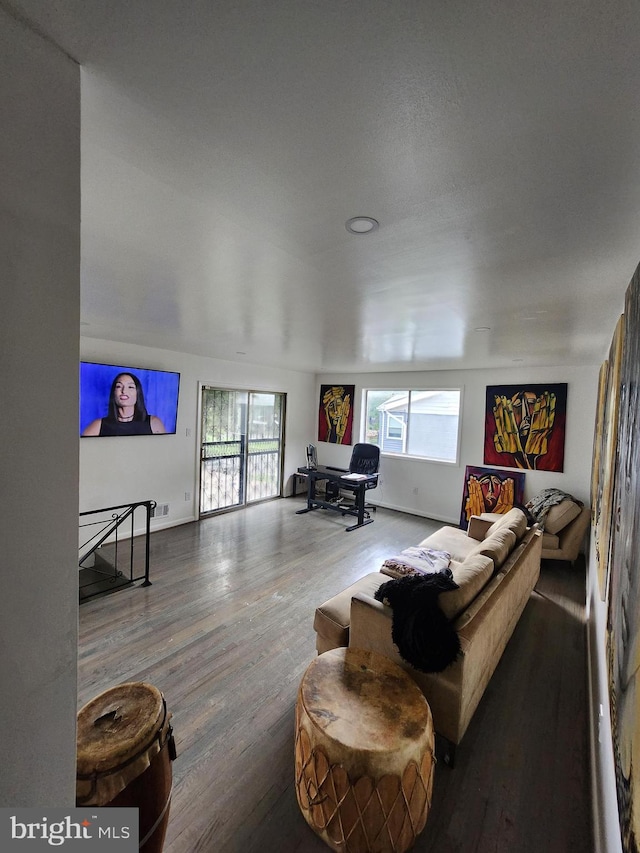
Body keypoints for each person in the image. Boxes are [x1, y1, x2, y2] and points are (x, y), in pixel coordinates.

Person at [82, 372, 167, 436]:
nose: (124, 391)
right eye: (119, 386)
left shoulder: (154, 423)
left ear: (138, 393)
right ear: (113, 392)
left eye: (130, 387)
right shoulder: (98, 425)